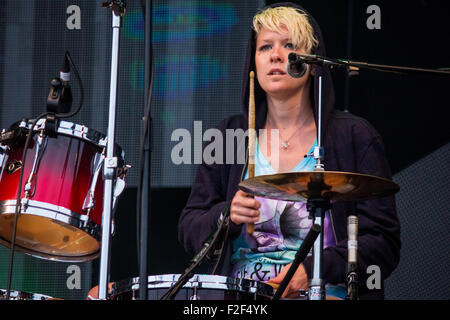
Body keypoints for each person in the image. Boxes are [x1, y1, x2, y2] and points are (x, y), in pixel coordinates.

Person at [178, 2, 400, 300]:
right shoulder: (228, 135)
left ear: (312, 63)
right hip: (243, 299)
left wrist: (311, 270)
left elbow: (383, 242)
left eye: (290, 46)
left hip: (325, 291)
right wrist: (226, 216)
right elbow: (189, 228)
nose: (276, 56)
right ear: (253, 62)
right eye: (265, 47)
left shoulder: (354, 135)